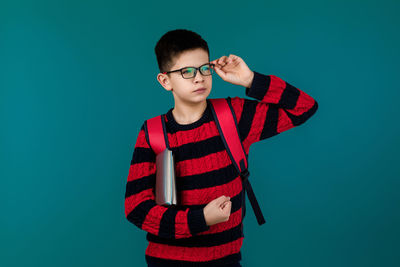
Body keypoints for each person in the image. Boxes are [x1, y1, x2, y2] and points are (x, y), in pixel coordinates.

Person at [124, 29, 318, 267]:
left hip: (226, 260)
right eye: (186, 72)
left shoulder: (234, 117)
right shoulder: (153, 132)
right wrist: (201, 219)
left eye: (205, 68)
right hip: (166, 261)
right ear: (165, 81)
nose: (199, 78)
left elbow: (303, 108)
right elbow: (136, 207)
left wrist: (250, 80)